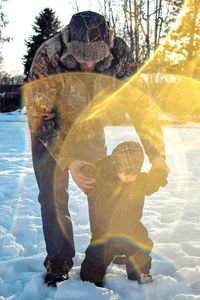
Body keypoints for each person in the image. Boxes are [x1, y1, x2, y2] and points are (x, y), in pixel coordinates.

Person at [25, 10, 169, 287]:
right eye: (82, 57)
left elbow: (142, 108)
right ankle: (59, 259)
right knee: (53, 193)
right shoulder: (49, 55)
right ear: (69, 45)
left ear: (108, 44)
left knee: (105, 186)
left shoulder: (120, 52)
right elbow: (38, 118)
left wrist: (157, 155)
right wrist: (70, 160)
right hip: (50, 130)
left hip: (90, 126)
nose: (89, 64)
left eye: (96, 57)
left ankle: (108, 243)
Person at [80, 141, 168, 287]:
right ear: (115, 166)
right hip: (105, 230)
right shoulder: (103, 179)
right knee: (96, 256)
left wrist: (159, 173)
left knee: (141, 248)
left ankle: (140, 273)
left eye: (133, 172)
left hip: (132, 228)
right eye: (124, 172)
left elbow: (153, 182)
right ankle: (92, 278)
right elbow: (90, 184)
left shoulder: (140, 180)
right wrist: (88, 171)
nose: (128, 177)